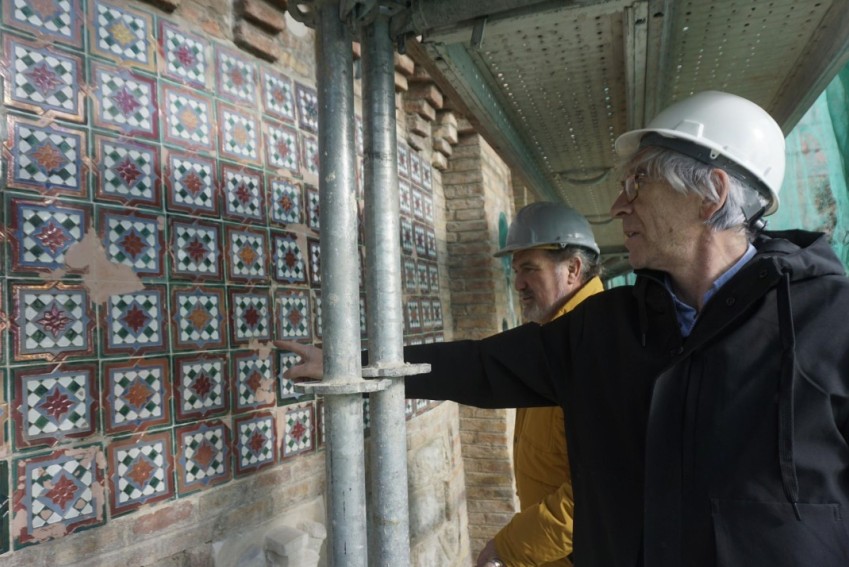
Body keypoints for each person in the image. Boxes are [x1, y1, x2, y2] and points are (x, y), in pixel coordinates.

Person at [278, 91, 849, 566]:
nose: (619, 205)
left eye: (638, 183)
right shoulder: (607, 328)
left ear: (712, 195)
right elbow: (481, 366)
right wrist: (356, 361)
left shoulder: (830, 320)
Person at [476, 202, 603, 567]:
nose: (518, 283)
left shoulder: (597, 345)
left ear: (573, 269)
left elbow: (598, 495)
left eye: (530, 269)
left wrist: (511, 546)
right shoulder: (550, 339)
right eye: (516, 270)